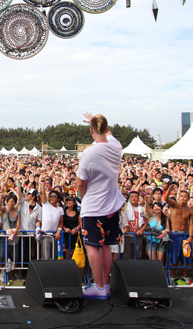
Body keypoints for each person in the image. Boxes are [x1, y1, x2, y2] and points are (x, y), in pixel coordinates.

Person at [76, 113, 126, 300]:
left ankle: (98, 286)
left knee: (91, 246)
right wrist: (97, 121)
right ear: (107, 128)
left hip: (94, 206)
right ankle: (105, 285)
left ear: (91, 131)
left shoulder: (89, 153)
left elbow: (80, 182)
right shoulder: (116, 145)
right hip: (112, 205)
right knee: (105, 246)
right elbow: (108, 134)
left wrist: (83, 197)